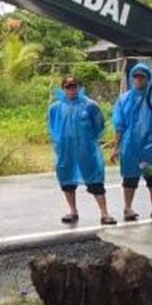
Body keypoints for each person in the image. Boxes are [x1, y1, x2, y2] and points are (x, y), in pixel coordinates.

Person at [49, 75, 115, 225]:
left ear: (79, 87)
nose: (71, 90)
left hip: (87, 150)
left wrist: (89, 141)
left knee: (95, 181)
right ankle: (73, 211)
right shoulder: (55, 108)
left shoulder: (90, 106)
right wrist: (59, 144)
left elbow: (99, 126)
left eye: (74, 86)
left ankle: (104, 213)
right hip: (65, 150)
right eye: (68, 87)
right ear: (63, 89)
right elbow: (53, 128)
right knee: (67, 180)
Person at [111, 62, 152, 221]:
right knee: (129, 178)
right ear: (132, 78)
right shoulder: (124, 99)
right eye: (136, 76)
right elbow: (119, 125)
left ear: (148, 78)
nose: (139, 79)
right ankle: (128, 208)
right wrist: (116, 147)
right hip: (131, 145)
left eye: (142, 77)